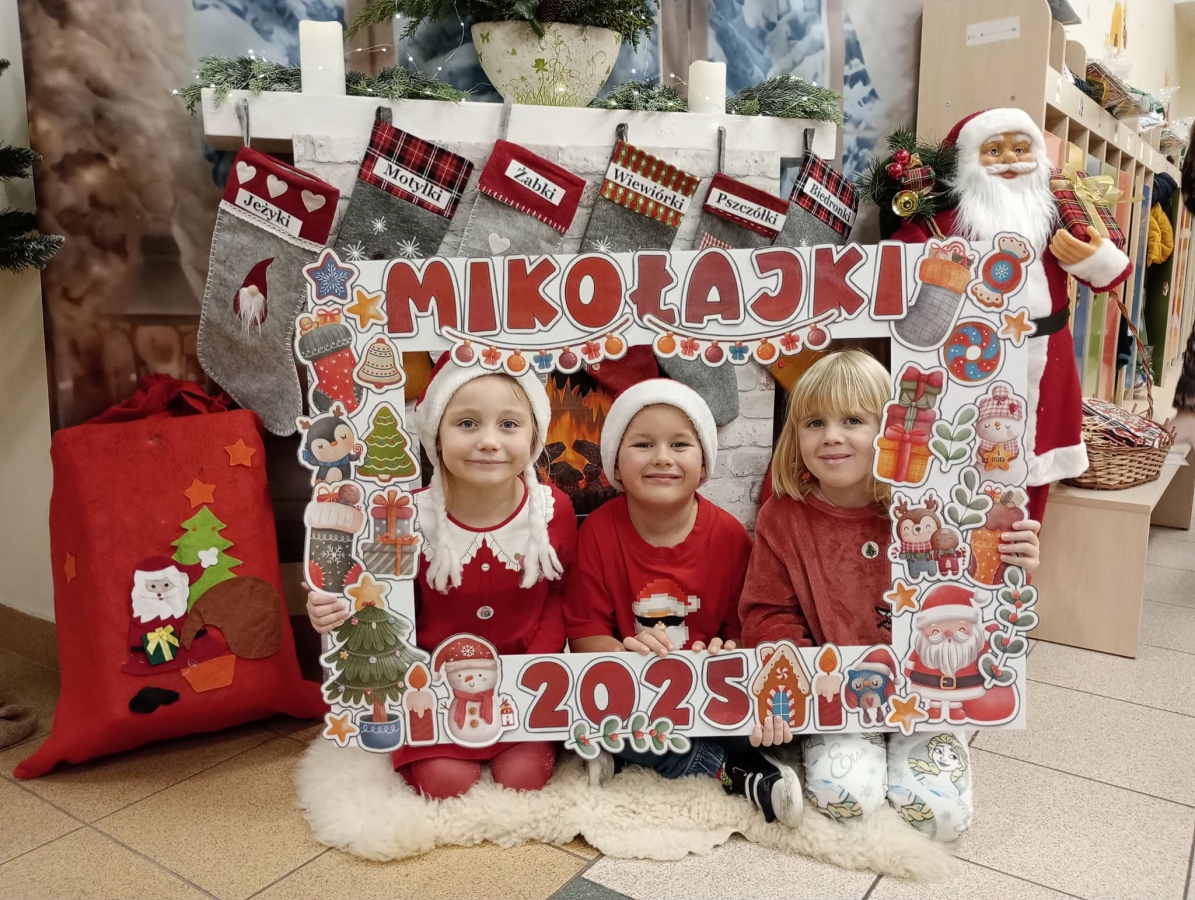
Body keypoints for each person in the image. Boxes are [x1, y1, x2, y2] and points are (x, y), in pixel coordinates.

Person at [738, 350, 1041, 841]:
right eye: (815, 422)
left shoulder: (931, 506)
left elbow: (976, 590)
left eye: (853, 420)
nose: (831, 435)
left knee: (940, 819)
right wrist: (789, 680)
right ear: (795, 436)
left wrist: (1013, 561)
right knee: (844, 800)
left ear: (890, 431)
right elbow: (769, 612)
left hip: (928, 688)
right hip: (836, 692)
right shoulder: (783, 516)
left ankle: (932, 742)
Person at [307, 357, 576, 800]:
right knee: (444, 783)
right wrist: (334, 606)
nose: (488, 441)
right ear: (435, 434)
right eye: (467, 424)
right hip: (432, 684)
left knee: (523, 777)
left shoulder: (551, 511)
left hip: (520, 682)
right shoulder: (406, 516)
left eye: (509, 424)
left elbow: (559, 596)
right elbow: (375, 594)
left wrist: (533, 671)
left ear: (533, 437)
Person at [564, 379, 802, 827]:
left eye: (679, 444)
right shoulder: (596, 532)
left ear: (704, 462)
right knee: (607, 723)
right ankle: (728, 772)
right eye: (643, 444)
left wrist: (724, 653)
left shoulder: (730, 538)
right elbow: (583, 635)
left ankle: (691, 757)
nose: (662, 457)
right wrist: (622, 653)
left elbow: (743, 634)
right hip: (638, 692)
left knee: (750, 728)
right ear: (615, 463)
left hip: (707, 694)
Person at [892, 108, 1133, 523]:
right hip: (969, 358)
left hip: (1045, 360)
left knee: (1034, 464)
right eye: (994, 150)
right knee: (962, 457)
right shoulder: (942, 221)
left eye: (1021, 149)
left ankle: (1020, 555)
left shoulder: (1053, 215)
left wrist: (1095, 255)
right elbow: (897, 267)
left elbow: (1108, 275)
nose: (1009, 159)